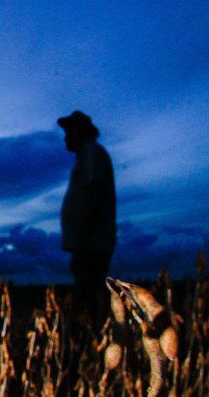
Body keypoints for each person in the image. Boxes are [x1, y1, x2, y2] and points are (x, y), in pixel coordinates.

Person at [57, 110, 116, 320]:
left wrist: (82, 239)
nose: (65, 137)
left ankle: (89, 341)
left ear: (79, 132)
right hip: (89, 242)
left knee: (87, 299)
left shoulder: (92, 152)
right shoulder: (88, 154)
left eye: (68, 132)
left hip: (91, 243)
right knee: (88, 296)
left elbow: (94, 193)